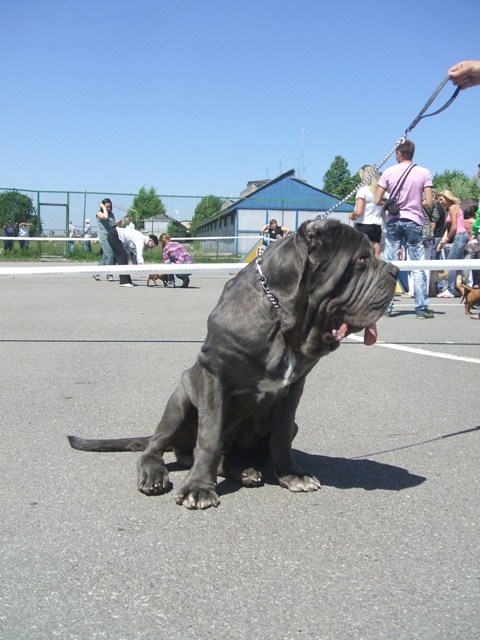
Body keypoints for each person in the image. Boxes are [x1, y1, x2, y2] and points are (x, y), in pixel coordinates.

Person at [375, 139, 434, 319]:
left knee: (390, 264)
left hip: (394, 221)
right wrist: (416, 202)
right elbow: (429, 202)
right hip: (414, 221)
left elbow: (377, 199)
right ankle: (421, 307)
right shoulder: (424, 172)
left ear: (399, 153)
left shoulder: (388, 172)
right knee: (417, 265)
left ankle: (387, 307)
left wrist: (390, 203)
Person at [435, 190, 469, 298]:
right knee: (457, 264)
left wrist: (447, 239)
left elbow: (454, 227)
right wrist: (442, 243)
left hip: (460, 235)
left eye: (441, 199)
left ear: (447, 198)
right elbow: (448, 228)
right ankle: (459, 288)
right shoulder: (450, 209)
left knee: (451, 262)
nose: (440, 202)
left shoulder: (453, 208)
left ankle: (451, 289)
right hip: (460, 236)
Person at [348, 164, 384, 257]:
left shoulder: (363, 191)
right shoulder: (380, 192)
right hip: (377, 225)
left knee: (360, 252)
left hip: (363, 224)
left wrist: (351, 215)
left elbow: (359, 212)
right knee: (376, 248)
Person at [93, 198, 116, 282]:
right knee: (110, 254)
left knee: (106, 256)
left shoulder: (111, 214)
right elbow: (105, 217)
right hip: (104, 237)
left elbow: (113, 224)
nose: (108, 208)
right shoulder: (99, 213)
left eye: (110, 207)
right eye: (107, 207)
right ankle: (109, 274)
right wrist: (103, 208)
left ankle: (96, 273)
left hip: (111, 235)